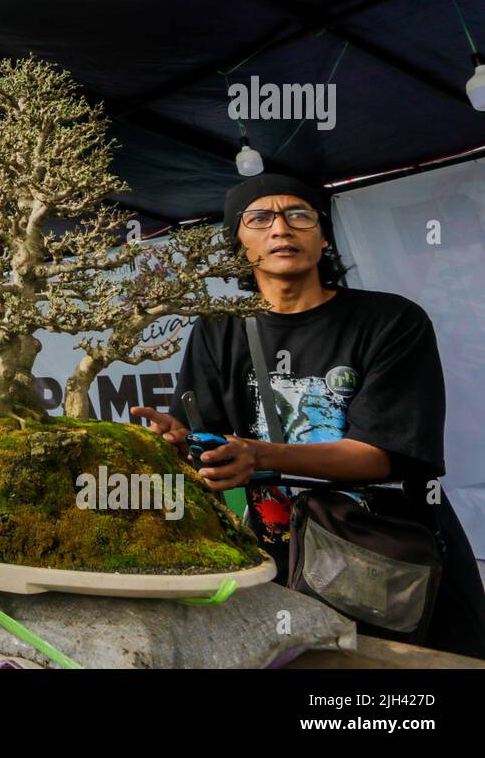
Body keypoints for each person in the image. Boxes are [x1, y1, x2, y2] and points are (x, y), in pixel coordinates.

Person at [131, 172, 485, 658]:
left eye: (299, 215)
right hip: (278, 559)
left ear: (323, 235)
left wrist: (260, 454)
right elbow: (209, 440)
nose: (280, 229)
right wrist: (180, 447)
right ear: (239, 241)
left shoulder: (391, 321)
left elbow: (383, 456)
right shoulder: (218, 330)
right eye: (259, 218)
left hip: (389, 555)